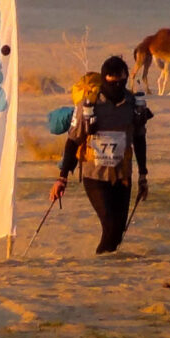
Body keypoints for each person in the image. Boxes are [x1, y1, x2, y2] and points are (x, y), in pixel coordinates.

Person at [49, 55, 152, 254]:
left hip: (122, 176)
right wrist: (62, 178)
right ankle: (98, 269)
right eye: (113, 82)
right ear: (104, 79)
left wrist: (143, 176)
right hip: (94, 176)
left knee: (117, 232)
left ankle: (109, 276)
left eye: (122, 82)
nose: (117, 87)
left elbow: (139, 140)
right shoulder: (89, 106)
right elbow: (72, 141)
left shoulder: (133, 105)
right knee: (110, 225)